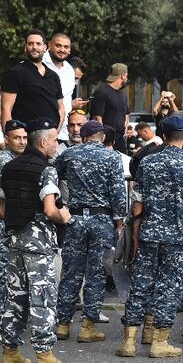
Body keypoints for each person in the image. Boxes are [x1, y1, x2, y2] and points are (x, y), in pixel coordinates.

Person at [115, 115, 183, 358]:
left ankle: (129, 341)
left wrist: (135, 235)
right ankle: (159, 341)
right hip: (179, 237)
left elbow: (138, 204)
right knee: (169, 288)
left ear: (163, 135)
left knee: (140, 286)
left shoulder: (148, 163)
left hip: (149, 234)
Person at [0, 118, 71, 363]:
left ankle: (10, 352)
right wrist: (64, 217)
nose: (56, 145)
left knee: (14, 298)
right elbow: (51, 210)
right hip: (38, 245)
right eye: (54, 141)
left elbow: (2, 209)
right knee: (42, 299)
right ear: (43, 142)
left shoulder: (9, 168)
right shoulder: (47, 169)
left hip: (13, 240)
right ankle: (44, 354)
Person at [53, 121, 126, 343]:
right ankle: (87, 326)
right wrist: (119, 221)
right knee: (96, 273)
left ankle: (62, 324)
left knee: (70, 271)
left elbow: (53, 175)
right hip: (101, 218)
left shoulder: (69, 154)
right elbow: (118, 191)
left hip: (75, 217)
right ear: (102, 137)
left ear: (84, 137)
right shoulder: (111, 157)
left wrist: (59, 205)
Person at [1, 30, 64, 129]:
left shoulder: (53, 76)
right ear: (25, 48)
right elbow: (5, 109)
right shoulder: (15, 73)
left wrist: (56, 131)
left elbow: (61, 108)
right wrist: (9, 136)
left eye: (38, 44)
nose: (34, 47)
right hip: (24, 138)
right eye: (30, 44)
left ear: (45, 47)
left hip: (50, 138)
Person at [0, 120, 27, 314]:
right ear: (6, 140)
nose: (22, 142)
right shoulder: (5, 161)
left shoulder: (21, 160)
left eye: (25, 137)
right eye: (17, 138)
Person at [41, 34, 78, 143]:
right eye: (58, 45)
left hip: (62, 132)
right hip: (39, 130)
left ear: (70, 50)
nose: (62, 50)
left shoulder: (69, 70)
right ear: (49, 45)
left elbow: (66, 101)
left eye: (66, 47)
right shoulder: (37, 64)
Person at [89, 63, 129, 152]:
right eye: (126, 76)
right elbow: (97, 117)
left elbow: (126, 113)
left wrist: (125, 130)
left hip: (120, 138)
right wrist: (101, 137)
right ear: (122, 76)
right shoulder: (102, 92)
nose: (127, 78)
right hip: (106, 139)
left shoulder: (122, 94)